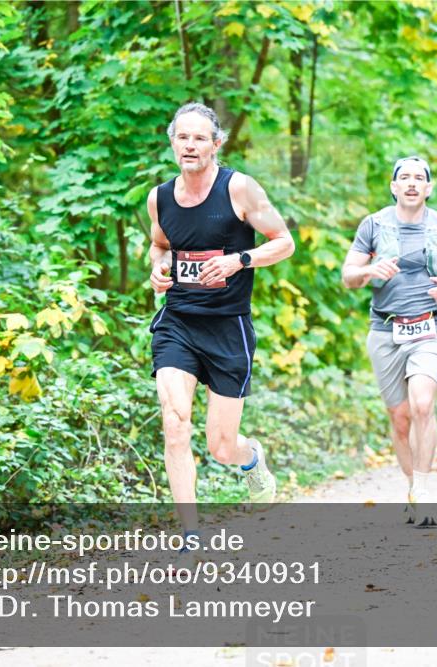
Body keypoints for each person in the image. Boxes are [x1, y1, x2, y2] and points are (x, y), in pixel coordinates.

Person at [147, 102, 295, 544]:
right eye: (183, 137)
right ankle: (190, 535)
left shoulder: (239, 189)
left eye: (200, 138)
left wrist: (239, 260)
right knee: (175, 423)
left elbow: (284, 242)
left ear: (216, 144)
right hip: (178, 322)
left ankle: (251, 459)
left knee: (221, 447)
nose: (190, 145)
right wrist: (158, 267)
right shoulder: (159, 197)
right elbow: (160, 245)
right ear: (172, 143)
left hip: (228, 328)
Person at [342, 156, 437, 528]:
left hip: (430, 328)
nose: (412, 183)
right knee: (400, 419)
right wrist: (369, 270)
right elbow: (348, 275)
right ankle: (413, 488)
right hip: (385, 330)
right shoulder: (373, 225)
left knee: (422, 404)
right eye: (405, 178)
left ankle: (424, 491)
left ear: (429, 188)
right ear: (394, 186)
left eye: (419, 178)